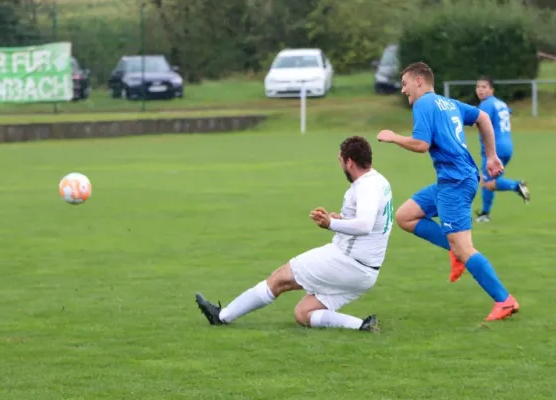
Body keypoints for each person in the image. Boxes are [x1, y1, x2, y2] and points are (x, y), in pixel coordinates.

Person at [195, 136, 393, 332]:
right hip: (366, 271)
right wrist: (342, 219)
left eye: (341, 161)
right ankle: (362, 326)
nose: (340, 166)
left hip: (348, 261)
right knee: (303, 313)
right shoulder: (378, 181)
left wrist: (331, 223)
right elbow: (371, 221)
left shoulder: (366, 187)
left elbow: (366, 225)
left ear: (350, 162)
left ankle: (221, 317)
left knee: (280, 278)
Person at [376, 62, 519, 321]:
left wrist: (393, 137)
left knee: (465, 248)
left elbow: (421, 144)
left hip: (455, 183)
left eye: (405, 84)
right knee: (405, 216)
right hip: (453, 180)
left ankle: (504, 300)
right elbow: (482, 118)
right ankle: (454, 250)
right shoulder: (447, 102)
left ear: (419, 81)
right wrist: (491, 156)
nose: (403, 90)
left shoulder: (424, 104)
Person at [474, 76, 530, 222]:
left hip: (494, 148)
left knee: (486, 182)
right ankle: (485, 214)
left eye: (484, 87)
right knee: (491, 181)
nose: (480, 90)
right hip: (507, 146)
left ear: (491, 90)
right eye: (478, 87)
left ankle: (517, 185)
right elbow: (507, 114)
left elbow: (478, 122)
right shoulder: (501, 103)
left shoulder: (486, 104)